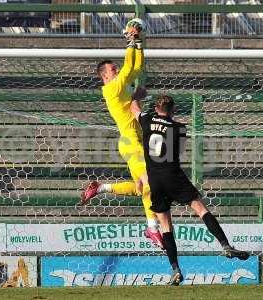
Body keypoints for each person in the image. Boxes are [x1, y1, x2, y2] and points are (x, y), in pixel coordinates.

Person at [131, 94, 250, 286]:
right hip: (173, 176)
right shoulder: (179, 128)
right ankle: (225, 245)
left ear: (156, 108)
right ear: (173, 110)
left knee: (165, 225)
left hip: (155, 180)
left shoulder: (147, 119)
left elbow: (133, 108)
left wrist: (136, 95)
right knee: (200, 209)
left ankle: (176, 269)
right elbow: (177, 153)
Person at [80, 19, 163, 249]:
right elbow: (128, 69)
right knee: (149, 185)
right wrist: (131, 41)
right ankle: (152, 228)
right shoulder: (112, 88)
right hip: (130, 142)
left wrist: (138, 44)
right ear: (104, 76)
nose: (117, 71)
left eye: (115, 69)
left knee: (142, 188)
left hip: (137, 141)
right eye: (113, 70)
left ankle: (102, 188)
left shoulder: (122, 87)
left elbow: (136, 68)